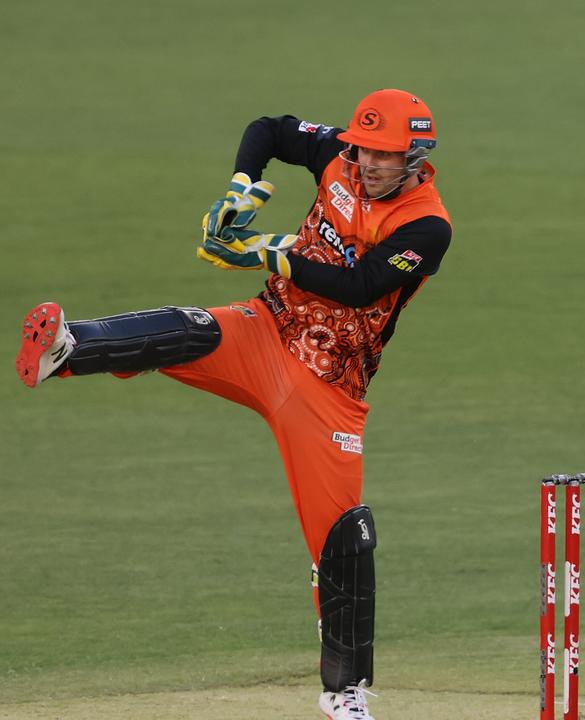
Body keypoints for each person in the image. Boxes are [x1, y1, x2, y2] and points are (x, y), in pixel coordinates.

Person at [14, 88, 452, 720]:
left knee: (345, 539)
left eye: (387, 156)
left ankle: (344, 695)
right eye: (364, 150)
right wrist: (243, 186)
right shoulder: (340, 156)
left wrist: (268, 252)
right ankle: (68, 345)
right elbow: (271, 129)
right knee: (190, 330)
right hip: (264, 330)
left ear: (416, 156)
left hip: (327, 388)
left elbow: (361, 287)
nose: (370, 164)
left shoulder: (426, 225)